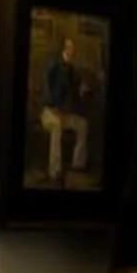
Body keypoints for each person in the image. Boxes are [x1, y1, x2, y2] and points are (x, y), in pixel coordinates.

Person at [37, 34, 87, 184]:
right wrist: (53, 107)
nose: (72, 51)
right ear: (63, 49)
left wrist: (82, 90)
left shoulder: (72, 70)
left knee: (83, 124)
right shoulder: (52, 66)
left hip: (64, 114)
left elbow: (74, 93)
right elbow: (46, 87)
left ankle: (78, 164)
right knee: (57, 126)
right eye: (69, 48)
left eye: (73, 48)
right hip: (48, 112)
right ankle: (55, 170)